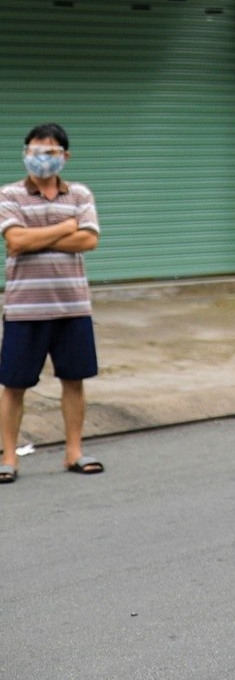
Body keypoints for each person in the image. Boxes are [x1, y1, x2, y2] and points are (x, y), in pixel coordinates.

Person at [0, 124, 104, 482]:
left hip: (72, 306)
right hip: (24, 308)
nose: (40, 158)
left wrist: (36, 237)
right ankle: (9, 458)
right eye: (33, 150)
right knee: (14, 384)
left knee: (74, 380)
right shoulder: (9, 194)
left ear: (65, 157)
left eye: (49, 152)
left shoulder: (80, 194)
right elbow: (15, 241)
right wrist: (66, 227)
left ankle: (73, 452)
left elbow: (89, 241)